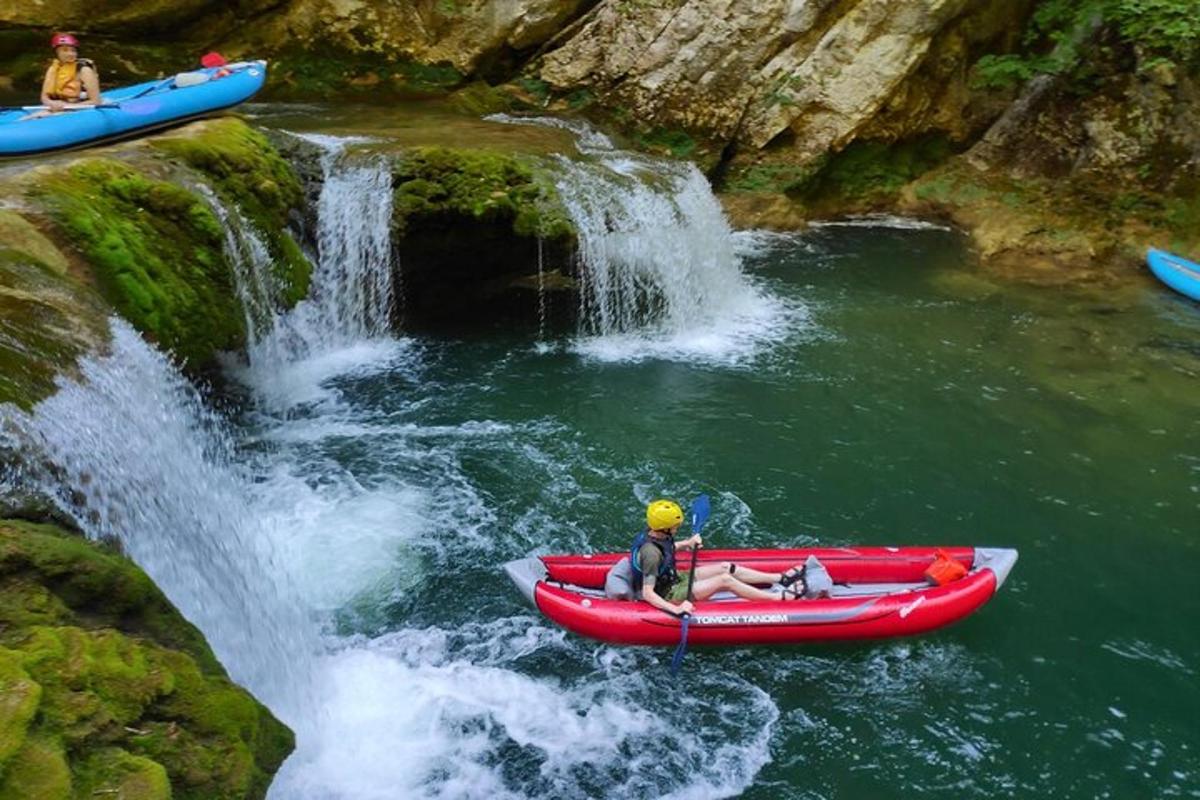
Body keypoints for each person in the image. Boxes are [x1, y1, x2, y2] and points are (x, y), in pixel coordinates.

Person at [604, 499, 825, 615]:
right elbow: (648, 593)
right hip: (668, 592)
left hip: (673, 578)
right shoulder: (650, 554)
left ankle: (779, 579)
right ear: (666, 528)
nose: (678, 528)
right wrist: (677, 608)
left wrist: (688, 543)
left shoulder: (653, 533)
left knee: (724, 567)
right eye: (676, 526)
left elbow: (667, 549)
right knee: (724, 581)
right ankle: (778, 599)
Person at [40, 33, 101, 112]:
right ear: (56, 52)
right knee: (29, 118)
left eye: (73, 50)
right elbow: (44, 97)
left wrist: (68, 106)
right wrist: (52, 103)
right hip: (60, 107)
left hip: (80, 108)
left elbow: (96, 101)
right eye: (65, 50)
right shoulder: (53, 69)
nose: (70, 54)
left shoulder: (84, 70)